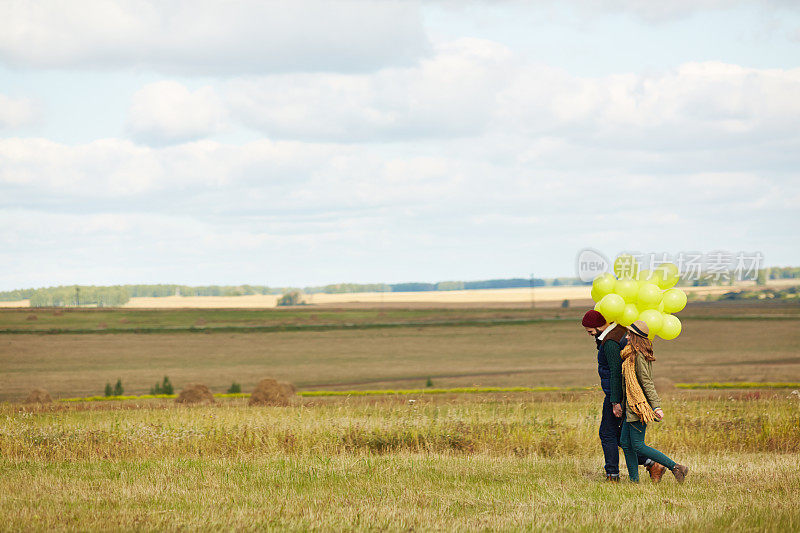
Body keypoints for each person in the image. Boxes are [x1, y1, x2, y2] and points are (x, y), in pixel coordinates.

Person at [582, 309, 663, 482]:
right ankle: (651, 464)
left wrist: (615, 401)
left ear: (597, 326)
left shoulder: (610, 342)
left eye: (589, 330)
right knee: (621, 438)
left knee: (607, 434)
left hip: (617, 395)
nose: (588, 334)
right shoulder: (618, 330)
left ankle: (613, 475)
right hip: (624, 394)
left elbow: (615, 373)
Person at [618, 320, 690, 483]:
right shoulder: (630, 355)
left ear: (636, 337)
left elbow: (647, 382)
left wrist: (656, 406)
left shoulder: (638, 357)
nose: (627, 337)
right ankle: (634, 481)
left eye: (629, 334)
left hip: (639, 406)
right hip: (630, 405)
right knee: (625, 442)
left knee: (637, 445)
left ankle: (676, 467)